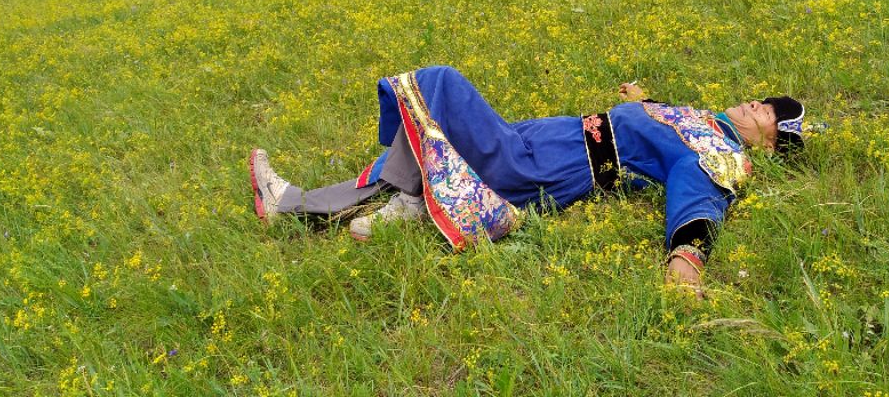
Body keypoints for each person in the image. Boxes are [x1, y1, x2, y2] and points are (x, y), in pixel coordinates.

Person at [249, 66, 804, 296]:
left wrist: (685, 265)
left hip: (551, 166)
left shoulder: (720, 152)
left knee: (439, 85)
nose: (759, 106)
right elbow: (655, 123)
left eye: (768, 117)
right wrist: (638, 101)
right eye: (765, 101)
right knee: (436, 131)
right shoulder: (706, 121)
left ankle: (379, 199)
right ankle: (402, 200)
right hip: (545, 142)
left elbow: (700, 196)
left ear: (770, 144)